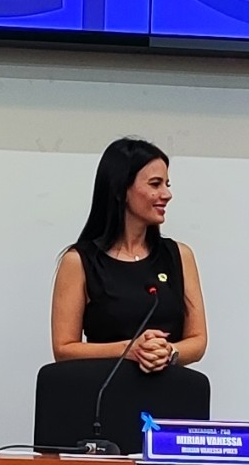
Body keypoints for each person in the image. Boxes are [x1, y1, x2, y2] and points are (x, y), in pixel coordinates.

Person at [50, 137, 207, 373]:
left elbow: (198, 340)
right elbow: (63, 349)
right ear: (122, 190)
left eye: (167, 184)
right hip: (105, 389)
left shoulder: (180, 255)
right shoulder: (79, 261)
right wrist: (129, 349)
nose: (167, 194)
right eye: (155, 184)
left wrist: (169, 352)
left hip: (168, 390)